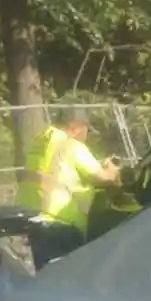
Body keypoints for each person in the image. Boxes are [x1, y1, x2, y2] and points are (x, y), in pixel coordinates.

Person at [15, 108, 121, 269]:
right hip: (61, 221)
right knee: (71, 273)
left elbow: (56, 171)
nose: (86, 135)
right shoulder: (71, 146)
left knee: (48, 273)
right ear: (76, 127)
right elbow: (103, 178)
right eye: (86, 129)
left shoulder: (40, 142)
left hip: (35, 218)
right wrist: (112, 169)